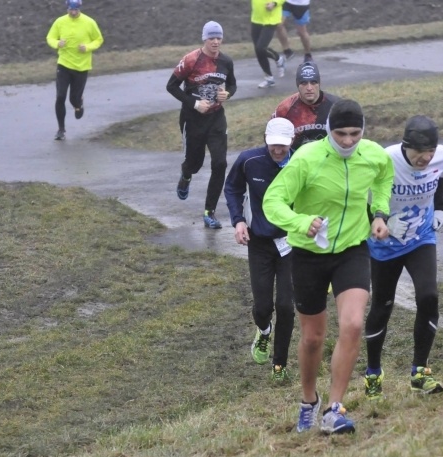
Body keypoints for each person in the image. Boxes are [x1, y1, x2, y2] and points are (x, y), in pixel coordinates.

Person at [262, 99, 395, 435]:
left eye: (355, 133)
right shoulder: (307, 159)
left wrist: (379, 214)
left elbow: (383, 178)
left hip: (352, 250)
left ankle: (334, 409)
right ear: (328, 130)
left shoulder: (373, 154)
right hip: (308, 256)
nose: (348, 141)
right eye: (340, 134)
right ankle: (309, 401)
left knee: (351, 324)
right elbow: (272, 201)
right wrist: (299, 220)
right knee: (313, 338)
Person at [363, 116, 443, 400]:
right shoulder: (386, 159)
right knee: (381, 307)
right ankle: (373, 372)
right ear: (405, 145)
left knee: (428, 297)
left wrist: (440, 208)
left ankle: (420, 372)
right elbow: (366, 200)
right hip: (386, 244)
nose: (425, 158)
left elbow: (440, 180)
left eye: (430, 152)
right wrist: (380, 221)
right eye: (418, 153)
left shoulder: (441, 157)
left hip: (421, 238)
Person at [223, 118, 297, 383]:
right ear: (266, 139)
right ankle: (264, 331)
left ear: (292, 143)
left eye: (283, 146)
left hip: (291, 243)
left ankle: (279, 364)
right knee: (264, 306)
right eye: (273, 145)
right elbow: (232, 188)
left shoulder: (301, 162)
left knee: (286, 306)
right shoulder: (249, 160)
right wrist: (238, 220)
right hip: (260, 244)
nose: (278, 150)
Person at [166, 21, 237, 230]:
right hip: (192, 119)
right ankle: (186, 174)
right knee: (195, 164)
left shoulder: (226, 61)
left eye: (218, 38)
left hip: (216, 118)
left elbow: (232, 83)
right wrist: (195, 104)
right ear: (204, 39)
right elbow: (171, 86)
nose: (215, 42)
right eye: (211, 38)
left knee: (220, 163)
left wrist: (228, 94)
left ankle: (209, 212)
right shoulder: (191, 60)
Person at [45, 0, 104, 141]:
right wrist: (57, 43)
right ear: (67, 8)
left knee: (73, 99)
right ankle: (61, 130)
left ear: (80, 9)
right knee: (60, 96)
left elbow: (99, 39)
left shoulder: (89, 22)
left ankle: (79, 104)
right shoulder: (60, 22)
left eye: (75, 10)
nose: (72, 12)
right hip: (64, 65)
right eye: (70, 10)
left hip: (81, 67)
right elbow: (50, 37)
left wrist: (88, 47)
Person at [272, 61, 340, 151]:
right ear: (297, 85)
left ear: (319, 84)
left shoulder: (337, 107)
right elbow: (273, 143)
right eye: (304, 83)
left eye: (313, 82)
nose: (309, 88)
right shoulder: (284, 109)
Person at [251, 0, 287, 89]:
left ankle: (278, 59)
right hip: (256, 19)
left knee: (261, 48)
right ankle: (269, 79)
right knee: (258, 50)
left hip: (271, 19)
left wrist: (274, 3)